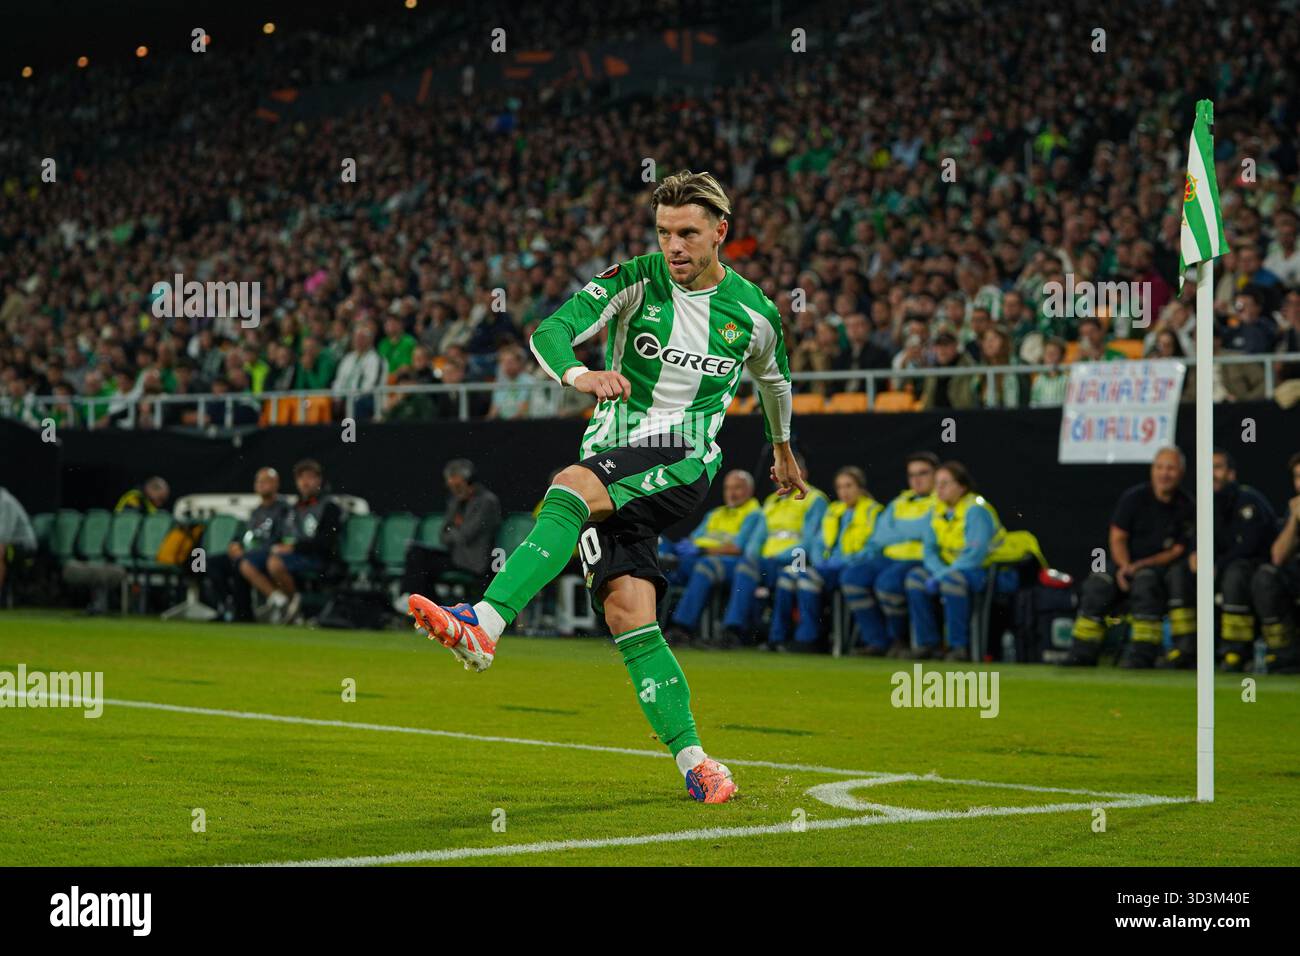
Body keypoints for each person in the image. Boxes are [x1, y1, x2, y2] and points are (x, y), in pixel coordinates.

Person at [406, 170, 803, 804]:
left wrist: (781, 449)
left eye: (688, 233)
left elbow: (774, 382)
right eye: (664, 232)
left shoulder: (754, 314)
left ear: (720, 232)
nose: (673, 246)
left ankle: (485, 622)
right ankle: (699, 764)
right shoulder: (634, 280)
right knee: (629, 617)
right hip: (615, 461)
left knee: (568, 485)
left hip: (682, 453)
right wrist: (578, 374)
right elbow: (549, 332)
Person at [1063, 447, 1196, 668]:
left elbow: (1176, 551)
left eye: (1170, 468)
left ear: (1181, 472)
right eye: (1160, 467)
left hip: (1160, 568)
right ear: (1152, 470)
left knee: (1146, 583)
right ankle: (1081, 653)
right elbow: (1117, 537)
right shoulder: (1134, 498)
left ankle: (1142, 656)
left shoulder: (1187, 505)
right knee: (1098, 584)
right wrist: (1125, 567)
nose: (1164, 473)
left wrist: (1139, 566)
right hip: (1124, 563)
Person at [904, 461, 1022, 661]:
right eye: (937, 483)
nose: (939, 488)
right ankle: (928, 644)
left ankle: (958, 647)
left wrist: (941, 575)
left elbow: (974, 556)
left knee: (952, 582)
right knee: (915, 578)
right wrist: (938, 571)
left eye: (945, 483)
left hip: (984, 572)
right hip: (951, 569)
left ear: (962, 487)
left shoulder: (976, 510)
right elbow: (929, 551)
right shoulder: (937, 510)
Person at [769, 466, 882, 652]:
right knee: (787, 575)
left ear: (860, 487)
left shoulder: (873, 511)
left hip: (851, 566)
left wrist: (843, 561)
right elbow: (817, 543)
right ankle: (778, 638)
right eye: (840, 487)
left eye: (849, 486)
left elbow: (873, 548)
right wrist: (820, 562)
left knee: (806, 578)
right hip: (826, 567)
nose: (844, 492)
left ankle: (809, 639)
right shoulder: (834, 510)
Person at [840, 451, 938, 656]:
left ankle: (899, 639)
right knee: (852, 578)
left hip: (919, 558)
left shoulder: (941, 500)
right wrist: (914, 532)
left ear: (935, 474)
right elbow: (881, 536)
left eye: (923, 473)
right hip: (889, 557)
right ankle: (877, 642)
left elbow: (928, 531)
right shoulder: (899, 502)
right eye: (912, 475)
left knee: (888, 584)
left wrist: (899, 530)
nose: (917, 479)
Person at [1194, 451, 1277, 672]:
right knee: (1181, 573)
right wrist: (1195, 555)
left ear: (1231, 474)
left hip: (1256, 568)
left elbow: (1249, 546)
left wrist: (1216, 565)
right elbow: (1199, 539)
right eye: (1207, 467)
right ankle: (1187, 649)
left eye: (1217, 467)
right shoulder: (1205, 504)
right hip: (1220, 567)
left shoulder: (1248, 500)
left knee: (1235, 573)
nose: (1212, 473)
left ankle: (1236, 651)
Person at [663, 469, 763, 646]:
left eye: (737, 488)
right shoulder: (715, 513)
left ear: (749, 490)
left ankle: (682, 628)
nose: (731, 493)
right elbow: (693, 539)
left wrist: (702, 550)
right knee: (663, 562)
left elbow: (738, 549)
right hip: (698, 560)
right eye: (727, 488)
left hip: (728, 564)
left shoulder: (754, 513)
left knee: (705, 567)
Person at [240, 459, 341, 623]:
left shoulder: (329, 507)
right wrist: (276, 546)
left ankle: (294, 604)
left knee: (274, 563)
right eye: (301, 478)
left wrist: (294, 548)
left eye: (310, 477)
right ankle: (279, 600)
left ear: (319, 480)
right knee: (246, 562)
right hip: (292, 555)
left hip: (315, 557)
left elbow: (326, 542)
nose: (305, 482)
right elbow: (282, 535)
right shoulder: (293, 508)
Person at [395, 459, 501, 607]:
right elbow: (443, 536)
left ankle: (424, 605)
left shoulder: (487, 501)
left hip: (473, 562)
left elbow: (466, 535)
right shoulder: (456, 501)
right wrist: (456, 529)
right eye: (452, 487)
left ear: (469, 481)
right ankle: (417, 601)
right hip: (455, 556)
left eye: (458, 486)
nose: (455, 490)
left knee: (423, 564)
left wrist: (454, 529)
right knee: (416, 553)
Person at [207, 468, 291, 622]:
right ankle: (227, 605)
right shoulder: (256, 511)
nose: (260, 484)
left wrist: (251, 551)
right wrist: (236, 544)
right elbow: (245, 534)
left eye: (265, 481)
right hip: (247, 553)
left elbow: (282, 539)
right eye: (258, 481)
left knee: (241, 563)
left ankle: (244, 612)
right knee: (212, 563)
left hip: (267, 554)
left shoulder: (284, 509)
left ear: (276, 484)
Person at [1250, 452, 1300, 673]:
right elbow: (1278, 556)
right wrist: (1294, 520)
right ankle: (1284, 654)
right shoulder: (1294, 508)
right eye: (1298, 477)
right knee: (1265, 577)